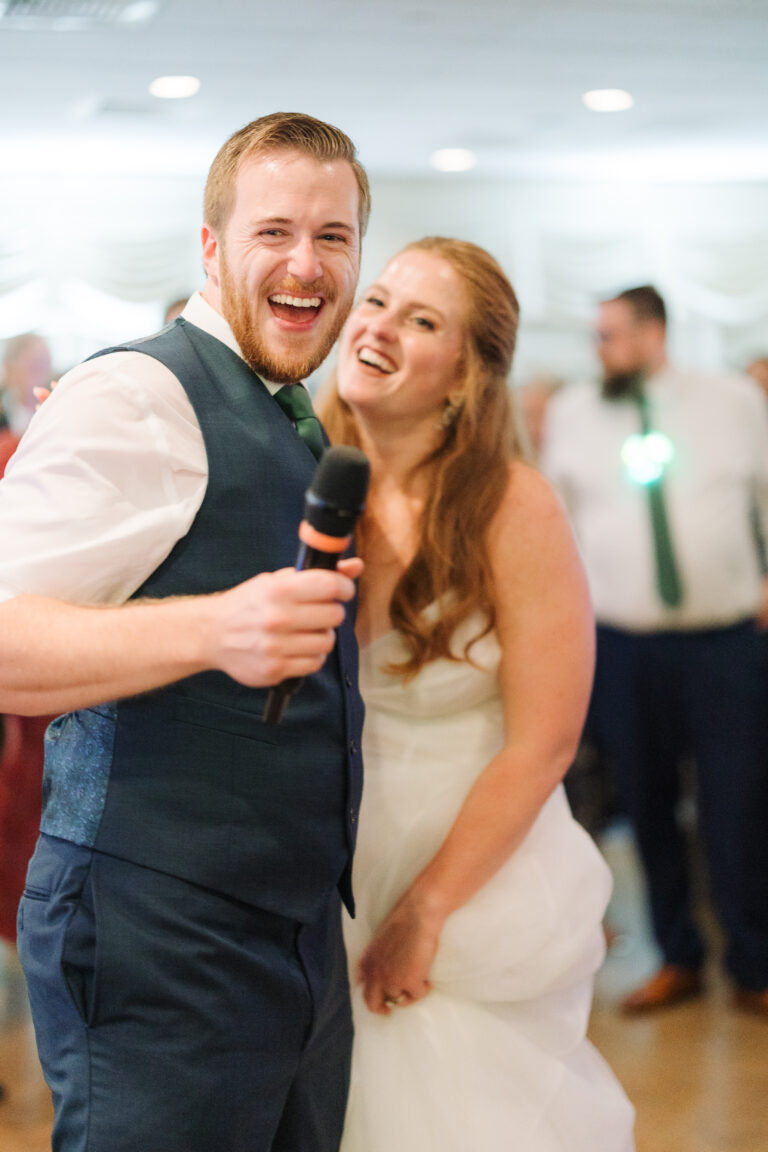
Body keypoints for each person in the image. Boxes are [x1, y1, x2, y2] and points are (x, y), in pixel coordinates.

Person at [0, 111, 370, 1152]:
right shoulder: (137, 395)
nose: (306, 264)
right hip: (157, 934)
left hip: (288, 935)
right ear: (212, 248)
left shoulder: (293, 412)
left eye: (333, 237)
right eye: (274, 232)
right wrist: (214, 629)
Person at [319, 237, 635, 1151]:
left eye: (420, 320)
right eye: (376, 302)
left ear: (465, 376)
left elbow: (545, 740)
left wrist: (425, 909)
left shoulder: (511, 505)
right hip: (323, 858)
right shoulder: (305, 472)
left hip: (461, 868)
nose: (378, 327)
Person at [543, 285, 768, 1016]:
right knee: (646, 803)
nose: (599, 351)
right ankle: (680, 957)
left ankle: (754, 962)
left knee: (737, 803)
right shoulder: (576, 413)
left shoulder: (730, 401)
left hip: (725, 644)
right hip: (622, 646)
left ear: (654, 332)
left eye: (611, 336)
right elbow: (558, 528)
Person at [0, 333, 53, 435]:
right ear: (9, 367)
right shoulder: (4, 407)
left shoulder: (55, 406)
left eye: (45, 365)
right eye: (34, 366)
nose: (41, 375)